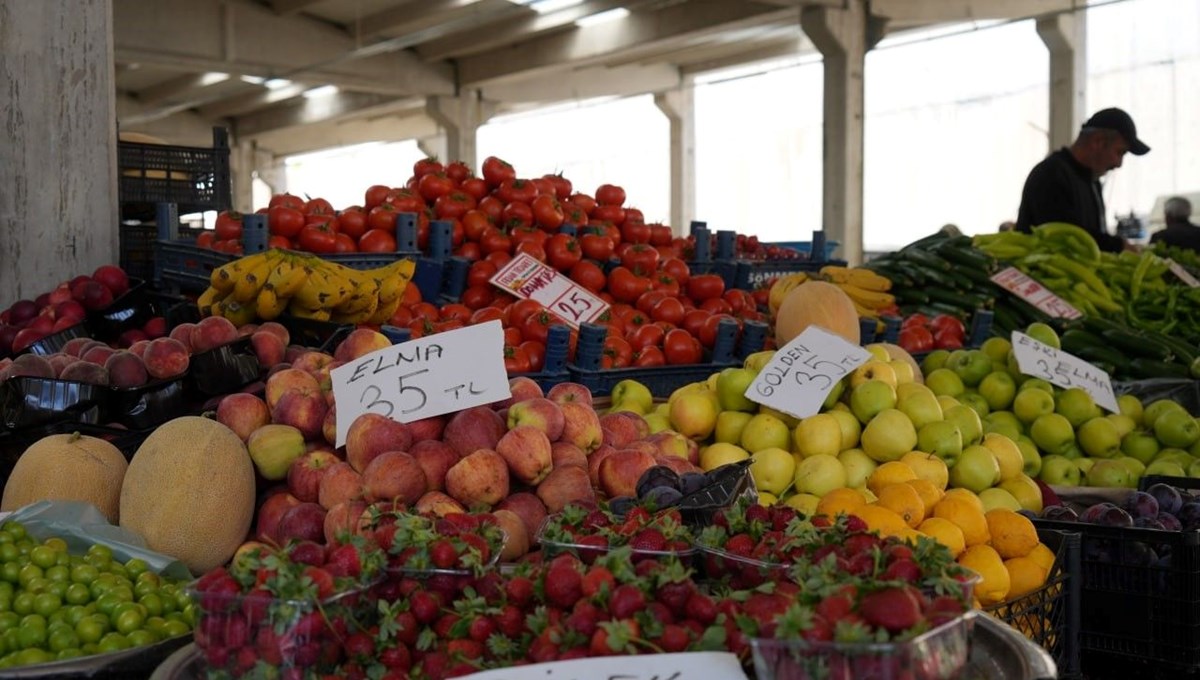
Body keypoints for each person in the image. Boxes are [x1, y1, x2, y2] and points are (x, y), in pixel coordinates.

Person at [1015, 107, 1150, 253]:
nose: (1119, 164)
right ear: (1098, 142)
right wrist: (1118, 246)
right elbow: (1065, 236)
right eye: (1120, 152)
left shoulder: (1092, 181)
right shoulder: (1051, 174)